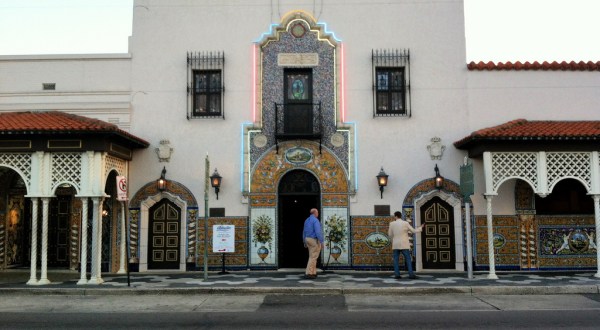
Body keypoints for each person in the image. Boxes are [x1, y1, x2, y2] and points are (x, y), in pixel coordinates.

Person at [388, 211, 424, 279]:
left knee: (396, 260)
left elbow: (390, 234)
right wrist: (420, 228)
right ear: (400, 216)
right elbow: (413, 231)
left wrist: (393, 239)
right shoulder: (405, 223)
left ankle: (397, 275)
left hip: (396, 244)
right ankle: (411, 274)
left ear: (395, 216)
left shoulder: (392, 224)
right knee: (408, 259)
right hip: (404, 244)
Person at [302, 208, 324, 279]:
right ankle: (309, 273)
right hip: (313, 240)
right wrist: (321, 241)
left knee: (312, 256)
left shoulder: (307, 220)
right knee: (313, 256)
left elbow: (304, 232)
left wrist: (304, 241)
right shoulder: (315, 220)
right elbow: (318, 232)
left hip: (307, 239)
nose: (318, 214)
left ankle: (313, 272)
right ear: (315, 213)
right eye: (317, 212)